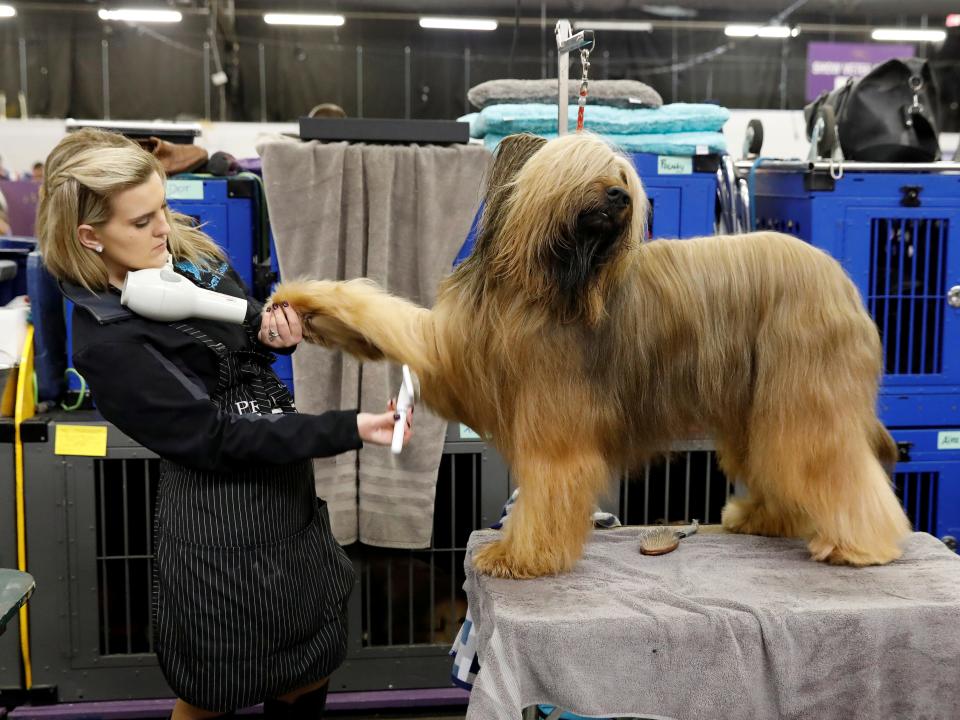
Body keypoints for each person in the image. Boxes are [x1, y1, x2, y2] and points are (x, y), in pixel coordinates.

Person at [36, 128, 412, 720]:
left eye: (161, 207)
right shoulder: (106, 344)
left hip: (285, 503)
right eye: (140, 222)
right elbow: (216, 438)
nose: (163, 227)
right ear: (89, 236)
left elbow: (244, 338)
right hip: (220, 532)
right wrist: (351, 428)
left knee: (304, 671)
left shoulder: (187, 253)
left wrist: (269, 335)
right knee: (214, 688)